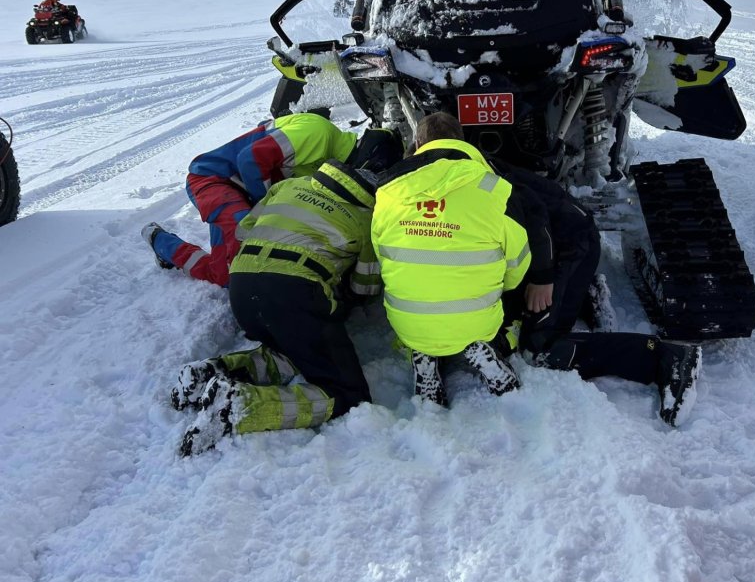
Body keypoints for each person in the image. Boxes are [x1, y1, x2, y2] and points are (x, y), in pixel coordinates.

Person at [172, 158, 388, 456]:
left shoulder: (289, 186)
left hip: (242, 286)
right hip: (296, 293)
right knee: (348, 395)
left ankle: (210, 373)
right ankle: (239, 405)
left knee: (293, 351)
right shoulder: (367, 217)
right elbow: (365, 288)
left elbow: (244, 231)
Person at [493, 160, 702, 426]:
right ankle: (580, 295)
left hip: (569, 246)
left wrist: (543, 279)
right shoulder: (465, 168)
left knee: (540, 347)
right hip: (551, 244)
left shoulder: (480, 182)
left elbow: (536, 221)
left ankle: (665, 357)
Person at [371, 112, 542, 406]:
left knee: (417, 296)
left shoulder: (388, 192)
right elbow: (518, 264)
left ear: (418, 143)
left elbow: (381, 255)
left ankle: (423, 353)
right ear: (462, 142)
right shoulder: (494, 189)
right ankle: (488, 345)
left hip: (408, 323)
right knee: (506, 299)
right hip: (477, 320)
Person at [141, 111, 400, 287]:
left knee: (229, 272)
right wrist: (266, 213)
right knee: (240, 263)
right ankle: (158, 240)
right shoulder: (319, 132)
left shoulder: (330, 163)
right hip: (215, 180)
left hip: (238, 191)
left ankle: (167, 247)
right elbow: (250, 160)